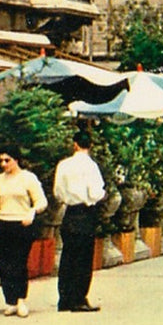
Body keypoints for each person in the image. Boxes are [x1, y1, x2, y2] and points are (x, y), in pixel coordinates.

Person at [0, 145, 47, 318]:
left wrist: (32, 212)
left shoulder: (28, 178)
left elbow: (41, 201)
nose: (4, 164)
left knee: (19, 263)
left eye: (7, 160)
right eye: (1, 161)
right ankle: (10, 300)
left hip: (21, 224)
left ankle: (20, 299)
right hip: (2, 224)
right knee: (4, 264)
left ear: (16, 160)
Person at [53, 130, 106, 312]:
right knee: (83, 258)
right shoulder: (91, 166)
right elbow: (96, 192)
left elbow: (58, 191)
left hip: (70, 212)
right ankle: (79, 298)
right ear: (90, 145)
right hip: (85, 212)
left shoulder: (63, 165)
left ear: (74, 144)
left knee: (68, 256)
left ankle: (64, 298)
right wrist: (100, 196)